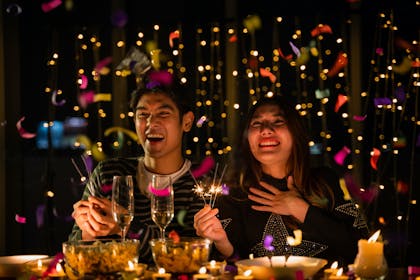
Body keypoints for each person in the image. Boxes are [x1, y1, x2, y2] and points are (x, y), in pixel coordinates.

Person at [193, 94, 369, 266]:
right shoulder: (234, 194)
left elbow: (362, 248)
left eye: (278, 122)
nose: (266, 129)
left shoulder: (327, 182)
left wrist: (302, 210)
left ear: (295, 133)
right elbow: (235, 265)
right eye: (257, 123)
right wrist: (222, 243)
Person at [69, 70, 204, 264]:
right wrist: (87, 231)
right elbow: (74, 254)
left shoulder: (201, 183)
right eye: (143, 115)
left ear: (187, 121)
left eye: (163, 114)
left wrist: (124, 227)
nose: (151, 123)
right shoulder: (109, 174)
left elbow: (189, 259)